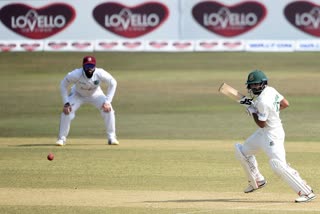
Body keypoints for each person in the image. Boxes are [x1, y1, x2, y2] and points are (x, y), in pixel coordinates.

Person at [235, 69, 315, 203]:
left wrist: (253, 111)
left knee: (278, 165)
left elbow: (261, 123)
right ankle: (258, 180)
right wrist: (266, 110)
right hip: (264, 133)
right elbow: (285, 104)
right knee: (242, 152)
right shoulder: (271, 90)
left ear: (263, 83)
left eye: (256, 84)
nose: (253, 87)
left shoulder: (262, 102)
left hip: (272, 135)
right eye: (252, 85)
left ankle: (307, 192)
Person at [56, 55, 119, 146]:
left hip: (95, 94)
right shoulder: (75, 74)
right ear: (83, 66)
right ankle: (61, 138)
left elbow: (113, 83)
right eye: (87, 66)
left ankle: (112, 137)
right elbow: (63, 84)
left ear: (95, 66)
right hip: (77, 94)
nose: (89, 69)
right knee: (67, 112)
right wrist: (66, 103)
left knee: (108, 110)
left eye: (91, 66)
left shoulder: (100, 73)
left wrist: (108, 102)